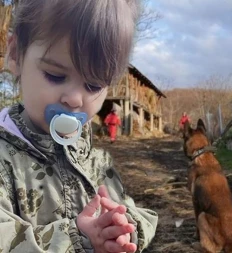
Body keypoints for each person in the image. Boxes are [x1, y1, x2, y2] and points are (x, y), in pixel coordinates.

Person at [0, 0, 158, 252]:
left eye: (93, 86)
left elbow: (126, 206)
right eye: (55, 75)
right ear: (17, 54)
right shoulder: (4, 159)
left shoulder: (95, 159)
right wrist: (76, 240)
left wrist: (121, 228)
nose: (74, 99)